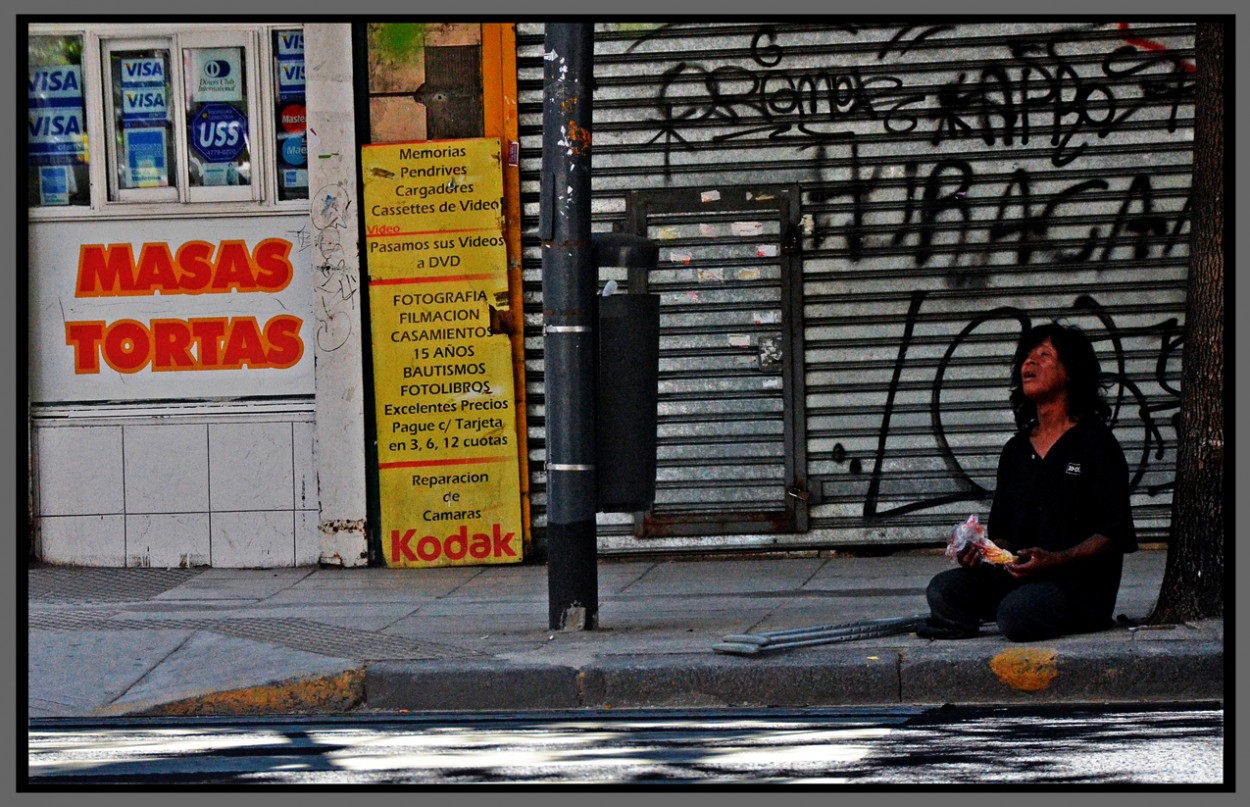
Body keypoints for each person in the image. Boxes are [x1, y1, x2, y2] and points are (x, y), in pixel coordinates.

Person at [919, 322, 1138, 642]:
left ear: (1070, 373)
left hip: (1076, 585)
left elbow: (1113, 535)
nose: (1029, 363)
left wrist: (1056, 561)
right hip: (1020, 578)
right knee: (943, 590)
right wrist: (981, 552)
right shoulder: (1016, 451)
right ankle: (968, 620)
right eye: (1026, 357)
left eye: (1044, 355)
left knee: (1015, 615)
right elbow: (1005, 537)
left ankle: (1012, 614)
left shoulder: (1097, 444)